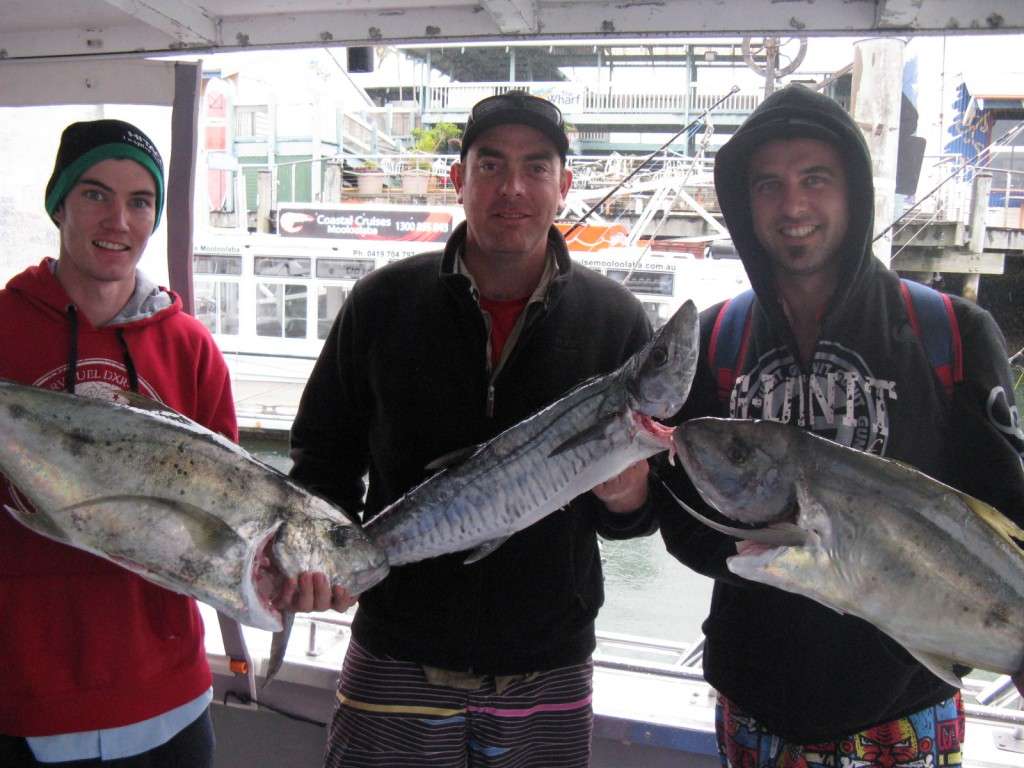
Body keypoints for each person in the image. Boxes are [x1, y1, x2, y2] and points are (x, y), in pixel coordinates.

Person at [658, 84, 1024, 766]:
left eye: (815, 179)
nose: (793, 206)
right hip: (754, 709)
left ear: (854, 191)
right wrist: (788, 562)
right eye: (768, 185)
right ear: (744, 202)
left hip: (905, 712)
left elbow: (1009, 516)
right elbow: (683, 521)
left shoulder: (951, 333)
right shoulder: (714, 341)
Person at [289, 90, 656, 767]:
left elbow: (637, 521)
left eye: (536, 167)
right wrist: (323, 552)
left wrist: (628, 493)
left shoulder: (617, 322)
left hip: (547, 663)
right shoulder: (382, 303)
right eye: (490, 165)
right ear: (457, 180)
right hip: (396, 652)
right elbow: (323, 455)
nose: (512, 188)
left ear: (564, 185)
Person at [0, 119, 239, 766]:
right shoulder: (4, 326)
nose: (120, 220)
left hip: (171, 701)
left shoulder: (189, 345)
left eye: (141, 201)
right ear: (59, 203)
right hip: (26, 699)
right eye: (95, 194)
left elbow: (229, 506)